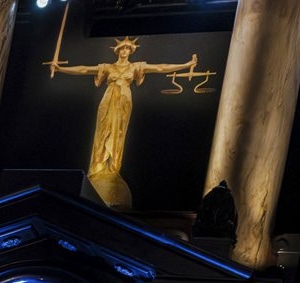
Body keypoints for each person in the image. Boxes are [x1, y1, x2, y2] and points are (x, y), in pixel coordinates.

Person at [49, 38, 198, 208]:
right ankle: (99, 167)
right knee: (102, 131)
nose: (125, 51)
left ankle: (112, 169)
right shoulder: (108, 67)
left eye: (128, 49)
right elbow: (84, 70)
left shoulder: (136, 67)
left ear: (131, 51)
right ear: (118, 51)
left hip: (124, 101)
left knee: (118, 133)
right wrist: (61, 69)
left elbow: (160, 67)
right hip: (108, 99)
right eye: (122, 49)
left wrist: (186, 64)